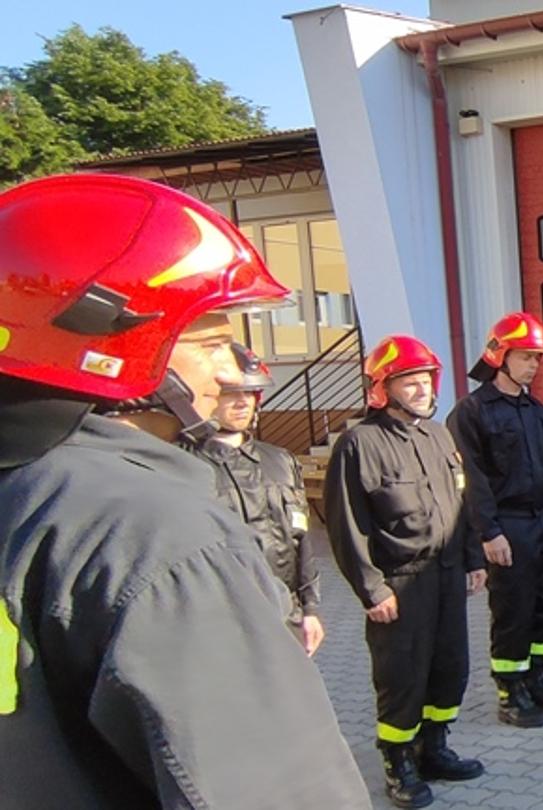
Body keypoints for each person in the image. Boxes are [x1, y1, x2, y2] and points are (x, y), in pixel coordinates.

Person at [0, 173, 366, 808]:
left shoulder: (27, 494)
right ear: (114, 345)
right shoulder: (159, 534)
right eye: (211, 341)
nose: (232, 371)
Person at [326, 334, 486, 807]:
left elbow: (461, 502)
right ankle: (398, 762)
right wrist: (372, 590)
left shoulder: (438, 436)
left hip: (447, 574)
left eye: (425, 381)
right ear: (383, 388)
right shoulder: (359, 444)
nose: (421, 391)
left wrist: (473, 558)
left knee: (450, 666)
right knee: (402, 676)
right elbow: (346, 527)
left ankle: (434, 747)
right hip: (399, 583)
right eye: (409, 383)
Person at [450, 312, 543, 726]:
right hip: (508, 525)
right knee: (513, 610)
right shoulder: (472, 412)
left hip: (542, 523)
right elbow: (473, 480)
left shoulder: (536, 410)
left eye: (537, 359)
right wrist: (489, 532)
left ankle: (537, 678)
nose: (533, 366)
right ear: (500, 357)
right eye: (525, 357)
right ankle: (510, 689)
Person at [186, 342, 324, 655]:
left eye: (249, 393)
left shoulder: (280, 461)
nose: (241, 402)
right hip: (221, 622)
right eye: (230, 393)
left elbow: (300, 539)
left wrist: (310, 608)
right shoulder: (184, 465)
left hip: (284, 613)